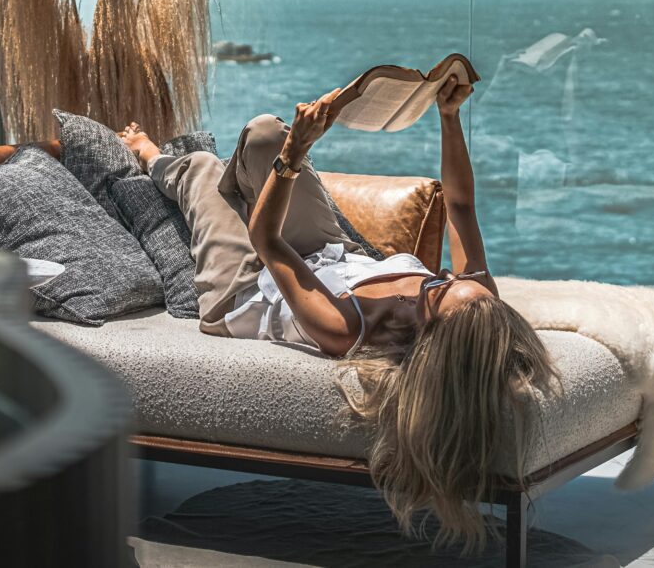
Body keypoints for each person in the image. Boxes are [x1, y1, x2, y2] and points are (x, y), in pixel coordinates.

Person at [118, 71, 558, 551]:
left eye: (439, 291)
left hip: (249, 289)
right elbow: (462, 205)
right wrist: (449, 117)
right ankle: (245, 180)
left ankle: (149, 155)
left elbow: (267, 243)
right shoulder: (473, 300)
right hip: (334, 256)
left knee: (201, 168)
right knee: (266, 131)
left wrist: (294, 158)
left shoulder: (346, 327)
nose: (448, 277)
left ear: (427, 333)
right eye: (448, 279)